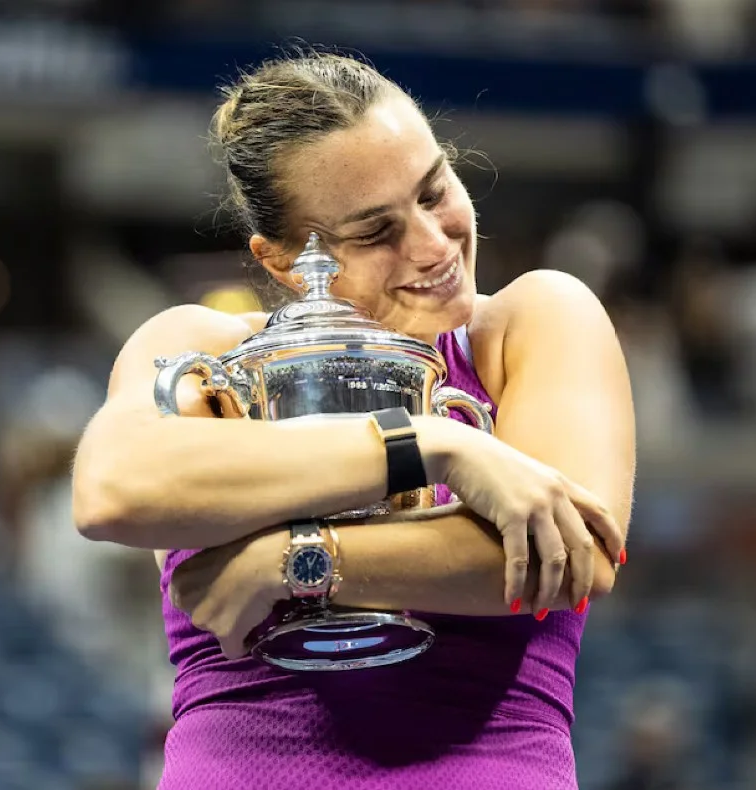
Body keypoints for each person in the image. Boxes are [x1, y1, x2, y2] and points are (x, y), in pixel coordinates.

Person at [72, 49, 636, 790]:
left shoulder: (536, 321)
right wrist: (432, 446)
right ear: (279, 262)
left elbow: (574, 554)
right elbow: (112, 491)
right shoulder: (200, 348)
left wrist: (290, 562)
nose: (435, 245)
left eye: (435, 190)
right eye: (376, 233)